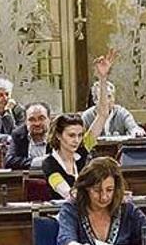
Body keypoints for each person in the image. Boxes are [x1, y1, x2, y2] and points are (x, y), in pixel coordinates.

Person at [57, 157, 146, 245]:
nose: (104, 197)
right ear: (86, 188)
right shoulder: (72, 208)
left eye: (109, 190)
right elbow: (65, 239)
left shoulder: (126, 208)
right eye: (97, 190)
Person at [42, 53, 112, 199]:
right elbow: (68, 193)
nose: (77, 140)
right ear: (59, 136)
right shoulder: (49, 163)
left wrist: (102, 78)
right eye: (71, 135)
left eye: (80, 135)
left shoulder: (82, 149)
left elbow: (103, 114)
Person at [80, 52, 146, 138]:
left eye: (109, 97)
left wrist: (137, 131)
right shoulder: (86, 117)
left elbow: (134, 128)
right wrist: (102, 77)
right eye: (102, 97)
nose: (106, 101)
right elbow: (87, 144)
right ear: (95, 100)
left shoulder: (121, 112)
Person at [4, 102, 50, 169]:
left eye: (41, 118)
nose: (37, 123)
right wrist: (39, 161)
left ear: (49, 119)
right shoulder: (18, 135)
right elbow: (9, 161)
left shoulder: (59, 135)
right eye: (32, 119)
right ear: (25, 122)